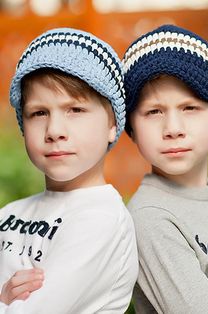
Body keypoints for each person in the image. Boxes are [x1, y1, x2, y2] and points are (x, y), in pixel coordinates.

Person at [0, 27, 138, 313]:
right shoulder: (9, 214)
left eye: (75, 110)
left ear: (112, 124)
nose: (55, 131)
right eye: (39, 113)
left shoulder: (101, 220)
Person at [122, 24, 208, 313]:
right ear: (132, 128)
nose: (173, 128)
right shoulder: (149, 219)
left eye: (190, 108)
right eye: (153, 111)